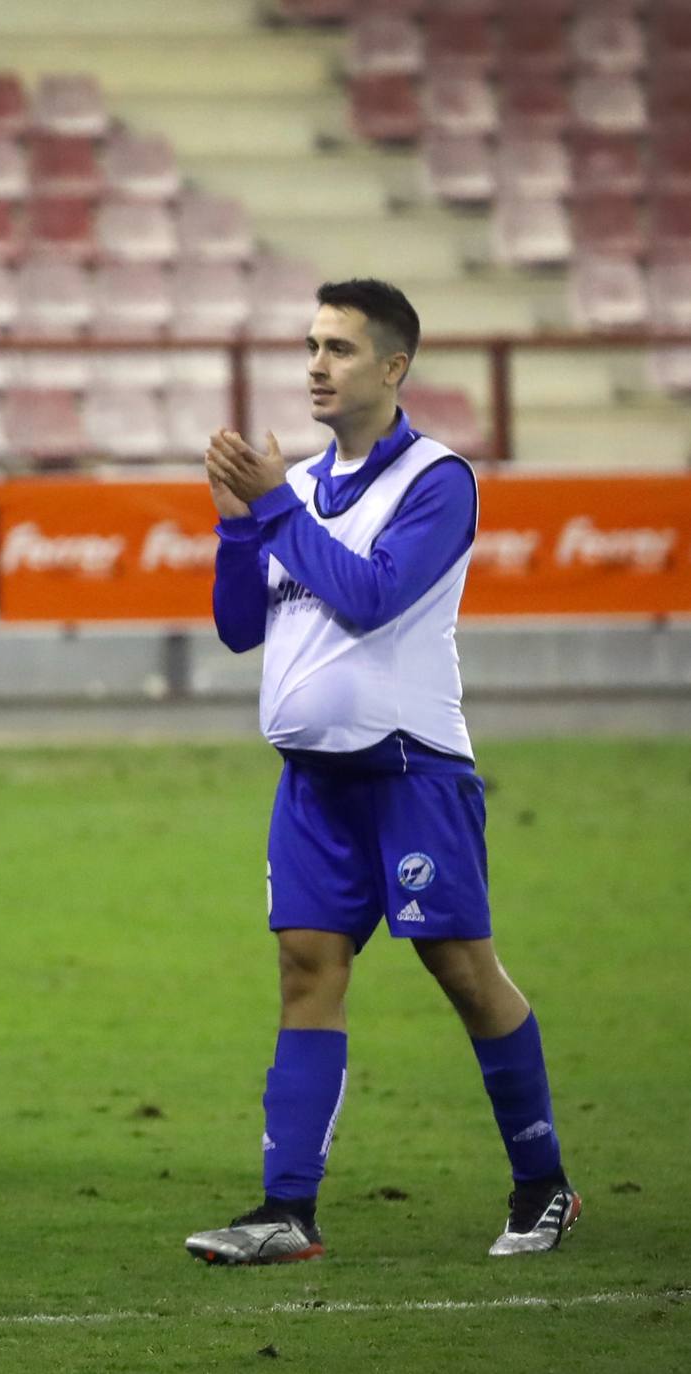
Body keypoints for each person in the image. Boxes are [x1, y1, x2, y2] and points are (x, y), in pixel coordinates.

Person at [185, 279, 579, 1266]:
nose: (316, 364)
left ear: (394, 368)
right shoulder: (303, 484)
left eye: (340, 349)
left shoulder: (439, 481)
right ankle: (288, 1211)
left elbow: (369, 597)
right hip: (312, 785)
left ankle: (545, 1185)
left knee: (463, 972)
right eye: (311, 344)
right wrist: (239, 520)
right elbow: (240, 627)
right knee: (306, 973)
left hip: (411, 773)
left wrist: (274, 507)